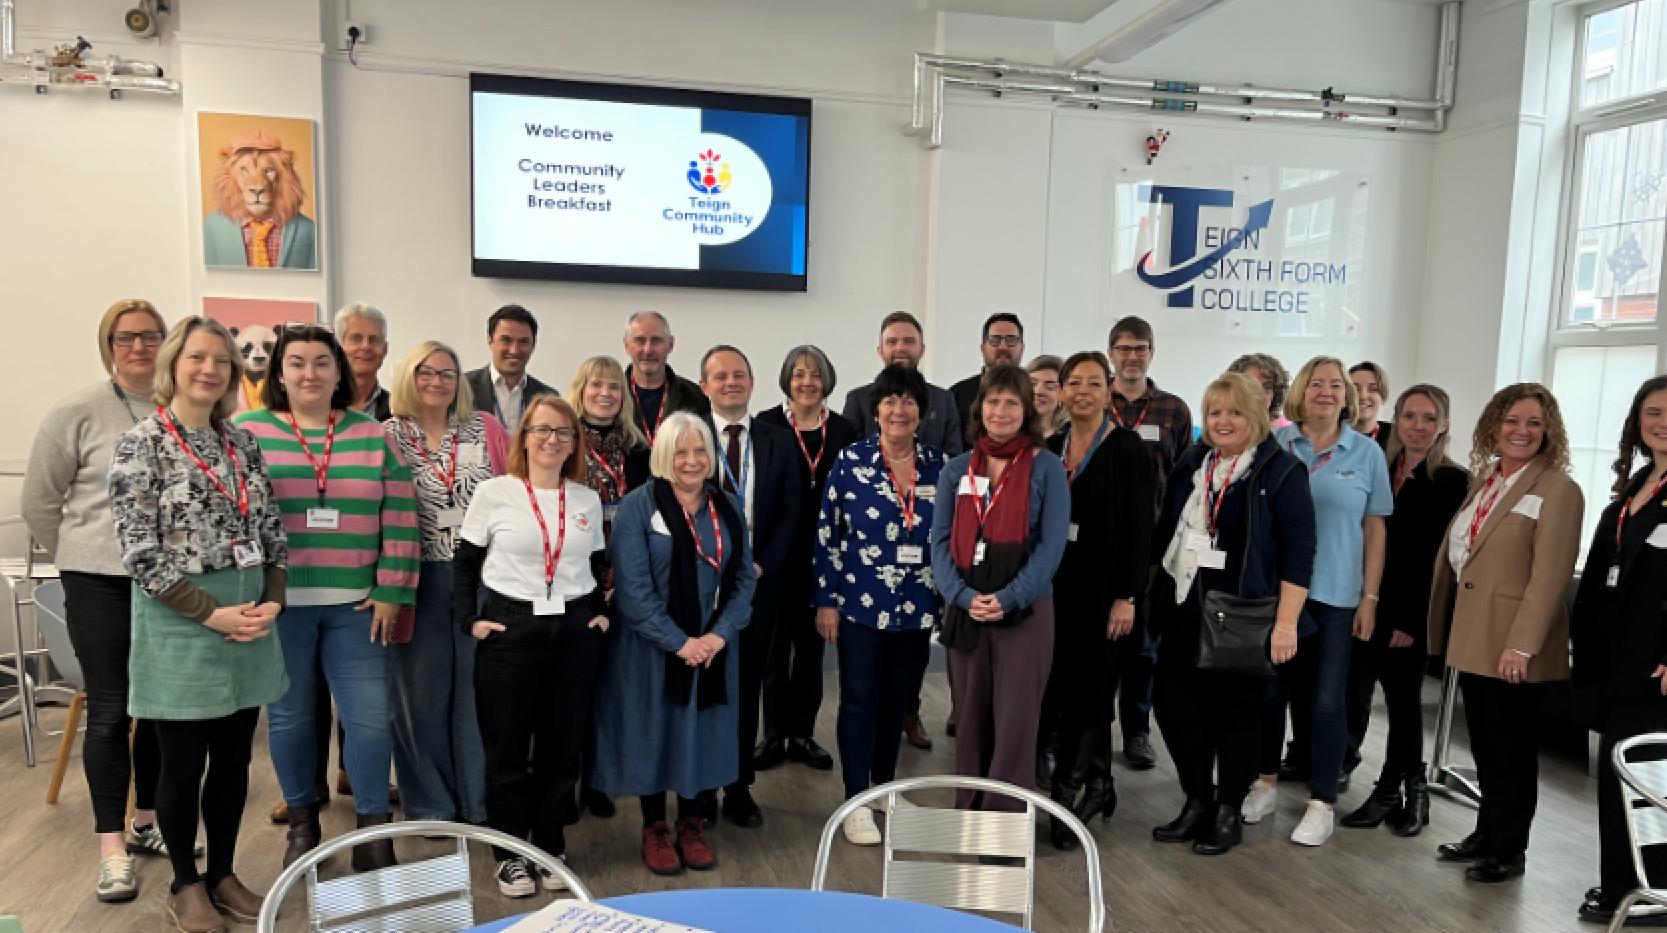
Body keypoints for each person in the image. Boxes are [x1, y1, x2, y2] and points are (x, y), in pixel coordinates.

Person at [108, 316, 289, 930]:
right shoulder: (142, 443)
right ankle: (186, 882)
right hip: (182, 617)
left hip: (249, 615)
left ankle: (224, 875)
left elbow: (271, 529)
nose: (210, 369)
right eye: (197, 357)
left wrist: (272, 598)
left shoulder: (243, 442)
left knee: (235, 761)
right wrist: (211, 614)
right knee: (182, 763)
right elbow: (138, 551)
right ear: (174, 366)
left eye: (221, 360)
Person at [235, 324, 419, 872]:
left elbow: (401, 513)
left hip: (358, 604)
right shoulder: (247, 431)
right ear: (279, 372)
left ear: (340, 372)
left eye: (321, 362)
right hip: (279, 604)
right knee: (289, 718)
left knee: (370, 720)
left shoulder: (373, 434)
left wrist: (393, 588)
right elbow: (233, 516)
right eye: (296, 362)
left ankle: (373, 833)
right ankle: (302, 827)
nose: (309, 373)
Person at [24, 300, 176, 904]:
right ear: (108, 345)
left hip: (168, 583)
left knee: (160, 710)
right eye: (125, 337)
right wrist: (81, 553)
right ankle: (112, 849)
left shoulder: (183, 408)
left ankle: (148, 823)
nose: (139, 347)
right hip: (97, 581)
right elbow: (40, 501)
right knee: (110, 712)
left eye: (151, 336)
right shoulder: (77, 411)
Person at [1149, 372, 1314, 857]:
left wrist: (1286, 625)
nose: (1224, 421)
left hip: (1245, 616)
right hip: (1185, 609)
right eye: (1216, 412)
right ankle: (1198, 800)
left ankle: (1227, 811)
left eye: (1235, 412)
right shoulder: (1194, 463)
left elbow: (1300, 553)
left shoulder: (1281, 471)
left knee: (1237, 719)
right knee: (1175, 710)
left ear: (1257, 416)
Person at [454, 394, 609, 896]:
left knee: (562, 750)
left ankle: (549, 847)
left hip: (575, 630)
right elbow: (465, 563)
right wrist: (470, 621)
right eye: (541, 429)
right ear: (523, 438)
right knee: (506, 750)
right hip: (511, 628)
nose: (551, 439)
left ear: (574, 444)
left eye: (563, 432)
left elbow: (597, 563)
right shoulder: (495, 492)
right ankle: (509, 854)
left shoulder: (585, 499)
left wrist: (600, 613)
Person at [1428, 383, 1582, 883]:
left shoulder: (1558, 489)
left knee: (1511, 751)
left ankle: (1509, 850)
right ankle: (1487, 833)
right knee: (1486, 746)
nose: (1522, 431)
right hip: (1476, 635)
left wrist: (1522, 644)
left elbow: (1550, 576)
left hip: (1514, 644)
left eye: (1534, 422)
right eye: (1512, 420)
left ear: (1549, 431)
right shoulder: (1488, 480)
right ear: (1494, 426)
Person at [591, 412, 756, 876]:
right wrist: (680, 643)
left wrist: (718, 636)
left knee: (699, 730)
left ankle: (691, 823)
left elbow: (744, 579)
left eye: (700, 450)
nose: (691, 460)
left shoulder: (726, 506)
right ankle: (654, 827)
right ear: (664, 455)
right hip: (651, 647)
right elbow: (632, 590)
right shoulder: (638, 507)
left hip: (712, 645)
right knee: (654, 731)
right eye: (680, 451)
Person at [1247, 356, 1391, 847]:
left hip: (1335, 594)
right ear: (1300, 392)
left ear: (1347, 395)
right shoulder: (1275, 445)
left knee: (1328, 700)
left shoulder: (1366, 453)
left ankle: (1322, 802)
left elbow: (1375, 530)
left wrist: (1369, 597)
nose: (1326, 392)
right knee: (1271, 694)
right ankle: (1265, 783)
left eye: (1336, 384)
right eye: (1316, 384)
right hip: (1278, 592)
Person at [815, 364, 947, 845]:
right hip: (860, 603)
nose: (899, 409)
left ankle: (884, 788)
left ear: (921, 411)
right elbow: (828, 533)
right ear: (875, 410)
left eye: (908, 400)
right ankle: (855, 800)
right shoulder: (851, 462)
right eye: (890, 400)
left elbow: (951, 537)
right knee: (859, 700)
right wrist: (826, 600)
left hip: (917, 604)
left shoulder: (941, 466)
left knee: (897, 698)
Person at [930, 364, 1070, 814]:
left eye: (1012, 402)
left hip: (1025, 612)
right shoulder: (956, 470)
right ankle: (969, 811)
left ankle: (1003, 820)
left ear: (1027, 409)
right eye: (993, 401)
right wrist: (964, 598)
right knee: (969, 718)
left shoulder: (1047, 468)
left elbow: (1050, 549)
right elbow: (938, 543)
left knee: (1015, 722)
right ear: (980, 408)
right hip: (966, 611)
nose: (1001, 411)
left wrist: (1007, 599)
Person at [383, 341, 509, 829]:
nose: (437, 381)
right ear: (408, 377)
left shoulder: (486, 428)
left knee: (479, 694)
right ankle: (431, 807)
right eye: (426, 372)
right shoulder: (387, 435)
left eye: (447, 373)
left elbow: (513, 493)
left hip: (481, 578)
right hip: (415, 579)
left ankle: (479, 803)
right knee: (420, 697)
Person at [1339, 385, 1467, 836]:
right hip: (1367, 601)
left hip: (1409, 613)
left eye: (1429, 418)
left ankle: (1390, 789)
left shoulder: (1452, 481)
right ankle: (1415, 788)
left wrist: (1411, 622)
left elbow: (1436, 561)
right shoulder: (1380, 464)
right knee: (1365, 693)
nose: (1418, 426)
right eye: (1410, 416)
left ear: (1444, 425)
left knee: (1403, 704)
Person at [1039, 351, 1154, 850]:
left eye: (1093, 383)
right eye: (1073, 382)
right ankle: (1102, 783)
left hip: (1106, 594)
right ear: (1061, 391)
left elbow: (1141, 529)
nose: (1082, 391)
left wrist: (1128, 596)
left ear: (1109, 392)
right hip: (1057, 590)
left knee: (1090, 693)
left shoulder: (1127, 447)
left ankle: (1067, 796)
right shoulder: (1052, 447)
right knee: (1069, 690)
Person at [842, 310, 963, 749]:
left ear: (921, 348)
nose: (900, 349)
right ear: (880, 349)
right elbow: (853, 479)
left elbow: (954, 462)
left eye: (908, 341)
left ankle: (910, 715)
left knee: (906, 667)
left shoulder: (943, 400)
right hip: (870, 562)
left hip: (921, 556)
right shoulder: (858, 399)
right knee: (864, 683)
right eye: (892, 341)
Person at [1571, 376, 1667, 923]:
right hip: (1617, 656)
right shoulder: (1637, 484)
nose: (1662, 423)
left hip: (1655, 663)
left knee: (1644, 776)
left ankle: (1650, 892)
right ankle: (1621, 883)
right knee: (1618, 776)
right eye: (1652, 413)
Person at [698, 345, 801, 828]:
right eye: (720, 376)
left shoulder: (778, 440)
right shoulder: (690, 435)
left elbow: (792, 511)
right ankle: (700, 788)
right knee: (703, 686)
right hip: (700, 585)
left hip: (757, 584)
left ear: (752, 382)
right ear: (704, 386)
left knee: (746, 685)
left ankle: (738, 785)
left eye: (738, 374)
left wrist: (762, 566)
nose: (730, 382)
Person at [755, 345, 858, 774]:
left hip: (826, 557)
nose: (807, 382)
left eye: (815, 374)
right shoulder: (766, 424)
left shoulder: (846, 430)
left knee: (812, 651)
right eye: (798, 374)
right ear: (787, 380)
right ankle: (772, 735)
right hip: (777, 555)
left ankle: (802, 735)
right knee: (774, 650)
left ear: (827, 380)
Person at [1107, 316, 1193, 770]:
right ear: (1111, 354)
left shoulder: (1174, 410)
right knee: (1101, 642)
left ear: (1152, 354)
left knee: (1143, 646)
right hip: (1103, 542)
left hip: (1156, 544)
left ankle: (1138, 732)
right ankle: (1094, 729)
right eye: (1124, 348)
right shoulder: (1095, 402)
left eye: (1140, 348)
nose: (1132, 356)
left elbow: (1184, 480)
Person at [569, 355, 653, 820]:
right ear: (580, 390)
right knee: (575, 684)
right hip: (575, 574)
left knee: (612, 686)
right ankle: (568, 780)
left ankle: (599, 779)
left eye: (614, 387)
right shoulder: (563, 441)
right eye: (595, 385)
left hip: (626, 576)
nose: (605, 394)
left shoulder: (639, 449)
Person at [465, 304, 558, 430]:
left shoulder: (549, 396)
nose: (514, 350)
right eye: (506, 340)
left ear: (533, 345)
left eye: (523, 342)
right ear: (490, 341)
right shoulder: (462, 387)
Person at [623, 311, 709, 444]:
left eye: (656, 341)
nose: (648, 350)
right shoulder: (613, 396)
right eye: (640, 341)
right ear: (626, 345)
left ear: (670, 344)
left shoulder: (696, 396)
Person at [949, 313, 1026, 422]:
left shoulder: (1033, 393)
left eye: (1011, 340)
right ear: (983, 349)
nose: (1003, 347)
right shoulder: (956, 396)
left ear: (1022, 348)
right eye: (994, 339)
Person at [336, 302, 391, 421]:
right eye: (356, 338)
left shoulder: (399, 411)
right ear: (338, 347)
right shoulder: (320, 405)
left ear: (385, 350)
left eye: (374, 340)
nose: (366, 346)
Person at [1227, 353, 1291, 430]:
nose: (1259, 394)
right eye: (1251, 386)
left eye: (1266, 388)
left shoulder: (1286, 431)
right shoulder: (1218, 426)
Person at [1349, 362, 1391, 448]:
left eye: (1373, 389)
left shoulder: (1397, 436)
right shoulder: (1329, 435)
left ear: (1383, 397)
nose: (1363, 396)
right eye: (1355, 389)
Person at [1027, 355, 1067, 438]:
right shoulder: (1006, 432)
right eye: (1032, 384)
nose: (1037, 391)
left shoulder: (1070, 438)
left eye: (1050, 387)